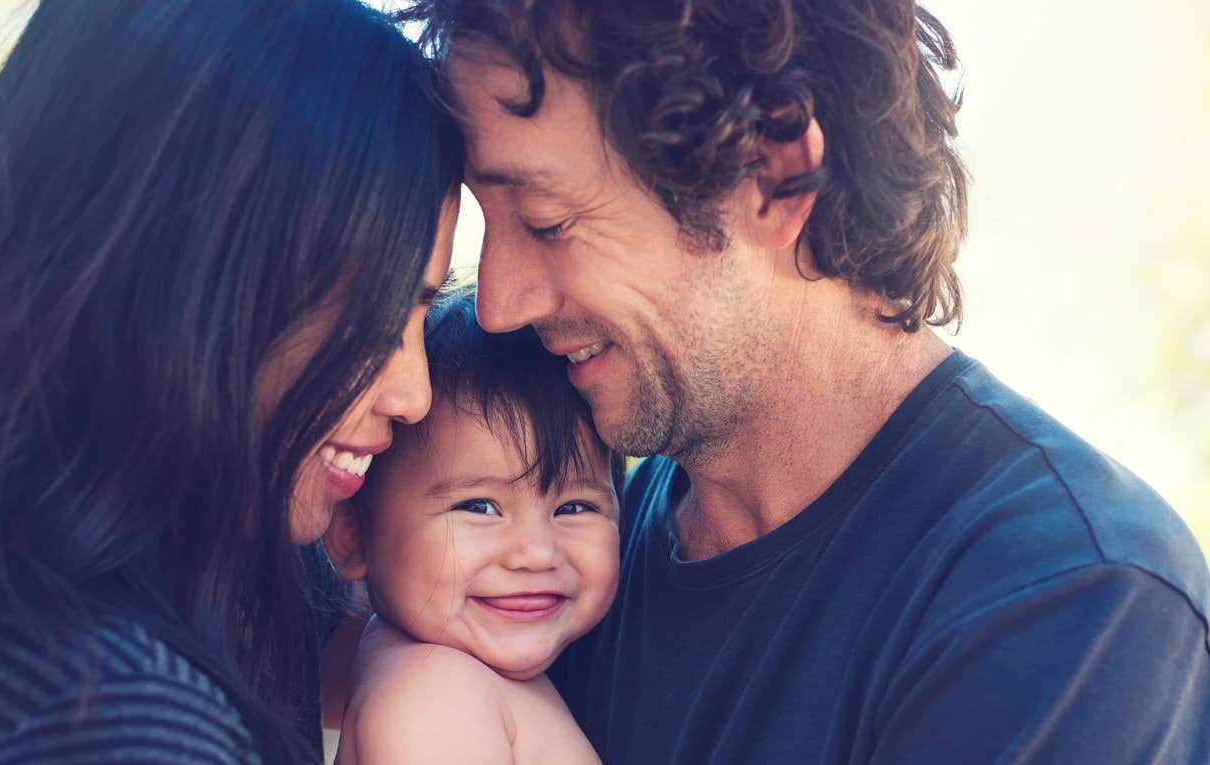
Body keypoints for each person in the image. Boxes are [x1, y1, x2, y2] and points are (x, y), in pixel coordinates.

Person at [397, 0, 1210, 762]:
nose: (500, 302)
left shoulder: (1069, 600)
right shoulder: (566, 561)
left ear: (771, 175)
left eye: (547, 222)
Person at [0, 1, 461, 763]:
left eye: (421, 314)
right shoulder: (120, 717)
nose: (413, 394)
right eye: (374, 313)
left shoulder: (200, 586)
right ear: (187, 280)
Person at [322, 288, 623, 764]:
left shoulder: (462, 676)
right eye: (479, 507)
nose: (537, 553)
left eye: (574, 508)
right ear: (352, 535)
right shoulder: (432, 695)